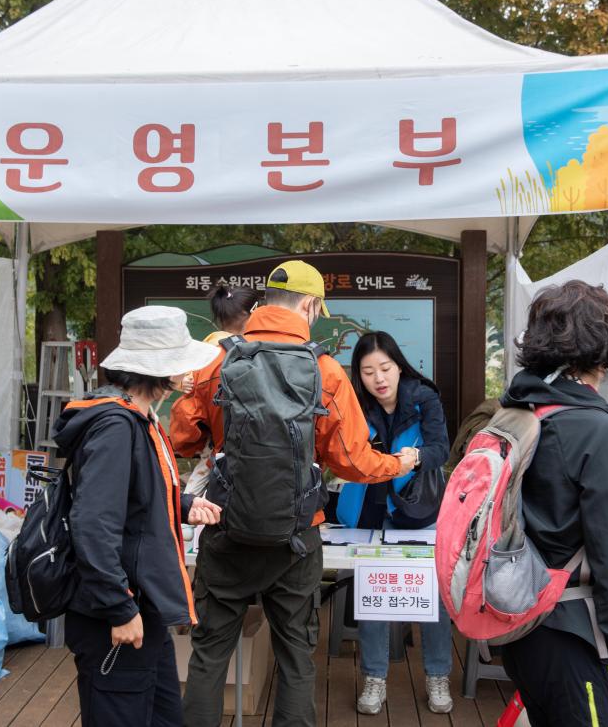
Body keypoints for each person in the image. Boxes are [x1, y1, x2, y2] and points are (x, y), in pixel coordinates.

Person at [172, 260, 417, 727]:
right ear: (309, 304)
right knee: (296, 660)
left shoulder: (218, 361)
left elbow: (182, 440)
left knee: (208, 657)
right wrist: (398, 464)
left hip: (226, 529)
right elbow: (352, 460)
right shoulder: (324, 369)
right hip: (297, 538)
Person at [499, 280, 608, 727]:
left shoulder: (515, 413)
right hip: (576, 634)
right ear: (602, 350)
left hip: (519, 624)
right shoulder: (594, 431)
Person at [52, 305, 225, 727]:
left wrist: (183, 505)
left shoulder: (134, 416)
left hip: (140, 608)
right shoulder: (117, 425)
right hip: (118, 611)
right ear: (160, 370)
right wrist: (118, 608)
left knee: (163, 717)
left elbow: (130, 498)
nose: (188, 376)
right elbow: (93, 523)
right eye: (180, 365)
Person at [338, 331, 454, 715]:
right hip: (372, 513)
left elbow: (442, 448)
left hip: (419, 512)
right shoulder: (355, 403)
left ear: (399, 366)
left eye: (385, 368)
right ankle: (374, 678)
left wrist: (416, 457)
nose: (378, 379)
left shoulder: (424, 397)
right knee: (374, 597)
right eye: (368, 371)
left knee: (433, 597)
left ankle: (437, 676)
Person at [181, 283, 259, 495]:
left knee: (195, 494)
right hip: (255, 452)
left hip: (218, 446)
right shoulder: (262, 350)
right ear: (249, 314)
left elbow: (187, 417)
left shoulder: (209, 349)